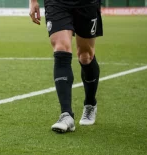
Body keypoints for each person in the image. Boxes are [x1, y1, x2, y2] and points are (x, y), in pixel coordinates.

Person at [29, 0, 103, 133]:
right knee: (61, 48)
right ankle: (66, 115)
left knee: (85, 56)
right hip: (56, 3)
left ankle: (90, 103)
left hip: (86, 3)